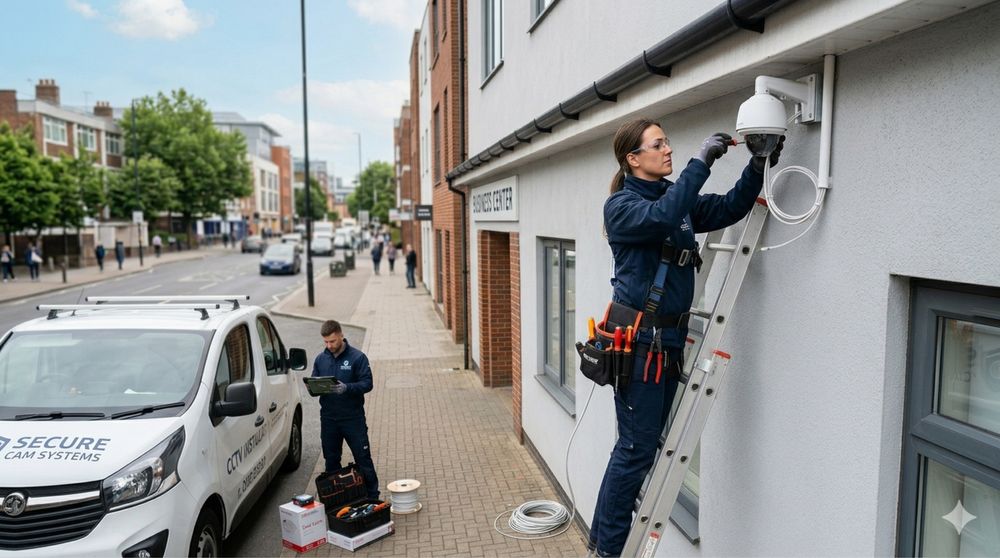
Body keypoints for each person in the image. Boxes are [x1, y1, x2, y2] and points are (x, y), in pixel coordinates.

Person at [588, 119, 783, 557]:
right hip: (639, 348)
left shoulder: (676, 201)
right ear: (633, 159)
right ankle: (609, 550)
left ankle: (605, 542)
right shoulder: (621, 207)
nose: (668, 150)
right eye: (658, 145)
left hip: (667, 347)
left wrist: (757, 163)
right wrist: (702, 161)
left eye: (668, 143)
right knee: (635, 450)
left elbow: (729, 208)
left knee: (641, 447)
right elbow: (662, 217)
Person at [311, 320, 379, 500]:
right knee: (331, 461)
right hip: (329, 419)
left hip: (352, 419)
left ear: (341, 335)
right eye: (325, 342)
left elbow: (367, 383)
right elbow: (315, 381)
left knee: (363, 459)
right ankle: (335, 500)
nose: (329, 345)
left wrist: (347, 388)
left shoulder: (358, 357)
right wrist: (313, 388)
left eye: (332, 341)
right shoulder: (320, 359)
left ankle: (373, 497)